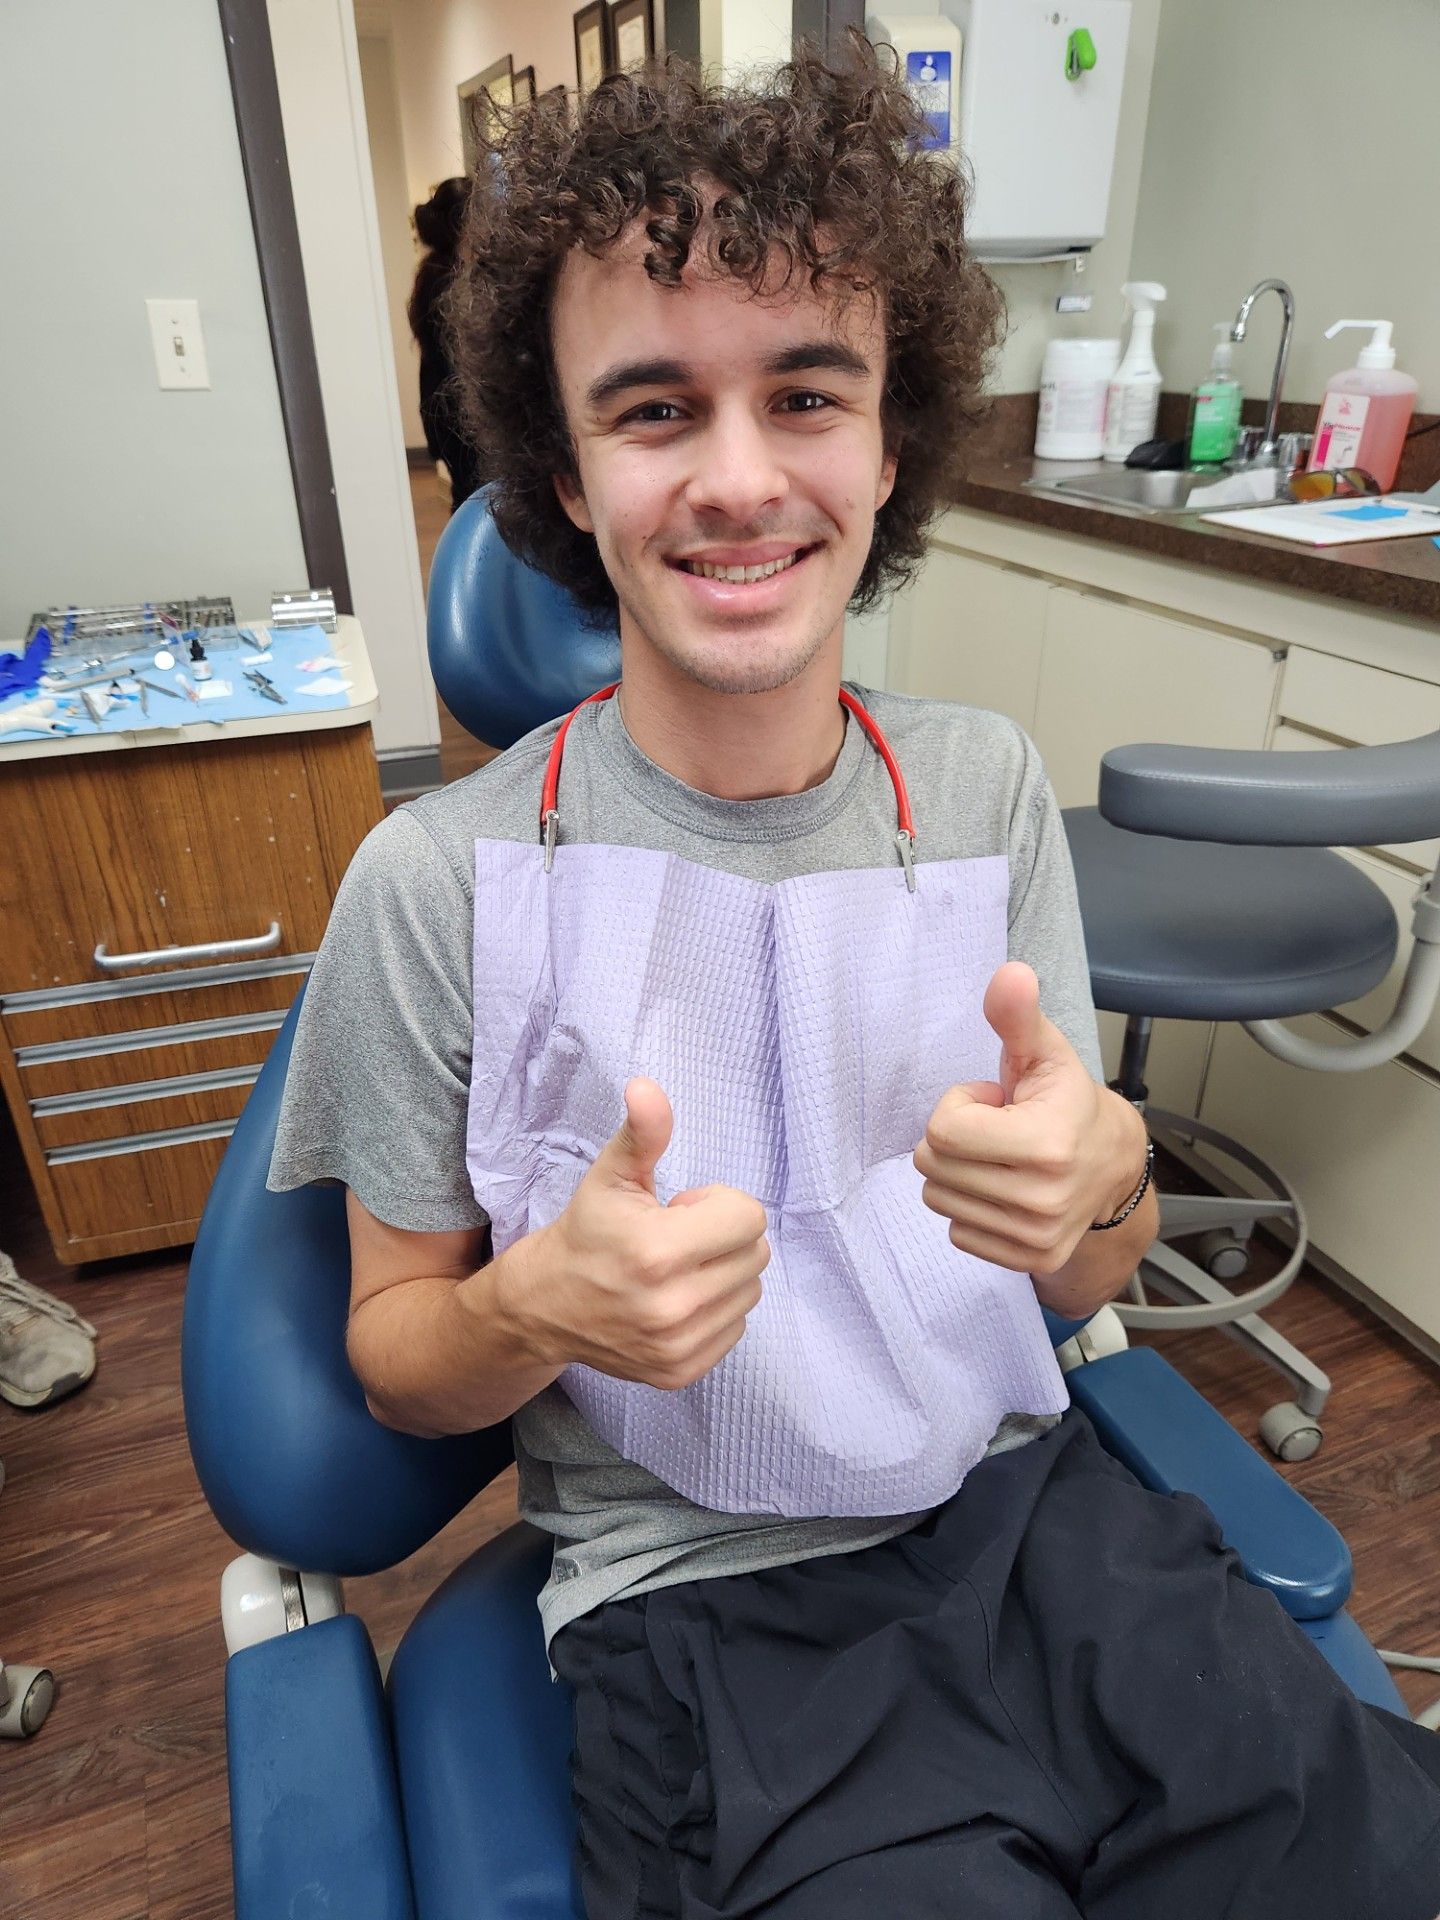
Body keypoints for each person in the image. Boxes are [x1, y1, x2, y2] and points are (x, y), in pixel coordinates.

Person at [269, 46, 1440, 1918]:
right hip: (706, 1619)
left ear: (887, 444)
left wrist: (1107, 1176)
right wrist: (542, 1308)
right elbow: (397, 1365)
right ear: (565, 473)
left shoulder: (976, 794)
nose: (739, 481)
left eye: (804, 392)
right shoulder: (435, 882)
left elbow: (1092, 1267)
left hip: (1038, 1529)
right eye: (655, 408)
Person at [407, 176, 481, 514]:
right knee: (475, 503)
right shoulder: (449, 284)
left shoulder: (435, 273)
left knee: (469, 499)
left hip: (448, 410)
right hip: (461, 415)